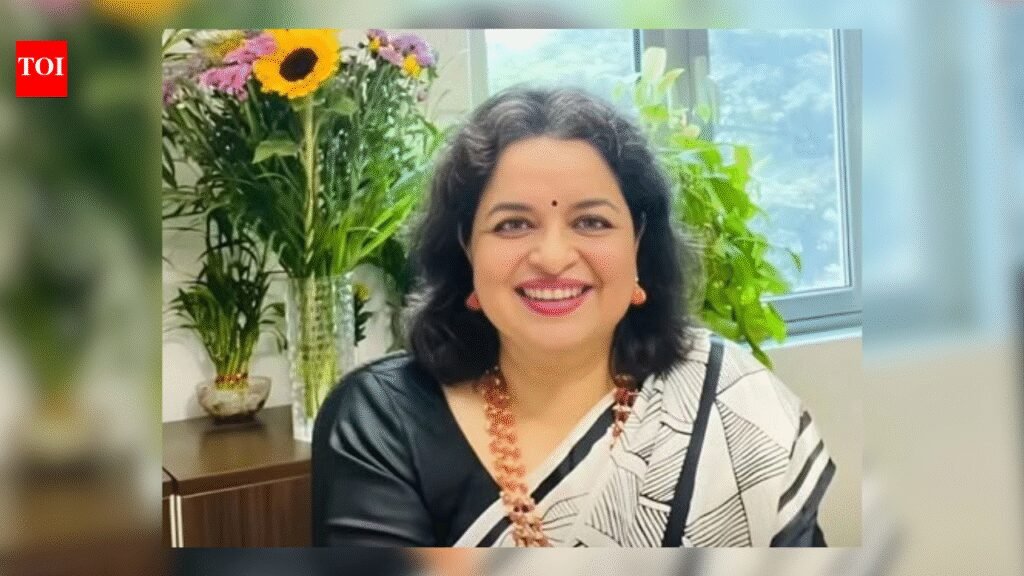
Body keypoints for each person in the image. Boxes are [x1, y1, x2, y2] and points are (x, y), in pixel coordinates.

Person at [311, 87, 835, 547]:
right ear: (466, 248)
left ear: (639, 244)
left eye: (591, 221)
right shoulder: (383, 419)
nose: (553, 257)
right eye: (513, 224)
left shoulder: (731, 404)